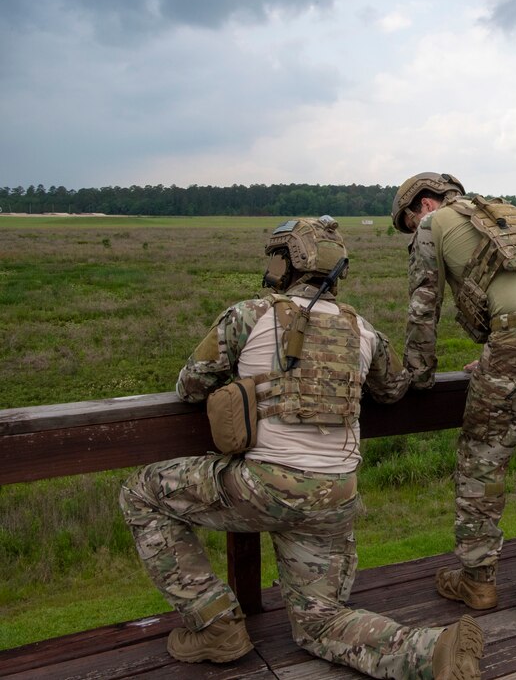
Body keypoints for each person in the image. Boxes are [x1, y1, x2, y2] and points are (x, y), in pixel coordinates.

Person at [119, 216, 483, 680]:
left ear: (286, 263)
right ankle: (427, 652)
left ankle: (215, 624)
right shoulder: (362, 328)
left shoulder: (248, 314)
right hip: (335, 495)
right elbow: (393, 388)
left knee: (141, 493)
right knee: (319, 621)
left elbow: (190, 384)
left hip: (262, 486)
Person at [391, 173, 516, 620]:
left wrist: (420, 377)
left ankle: (478, 581)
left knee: (482, 461)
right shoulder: (503, 214)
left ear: (422, 204)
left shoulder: (433, 223)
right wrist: (495, 353)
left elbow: (424, 306)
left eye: (408, 223)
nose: (413, 232)